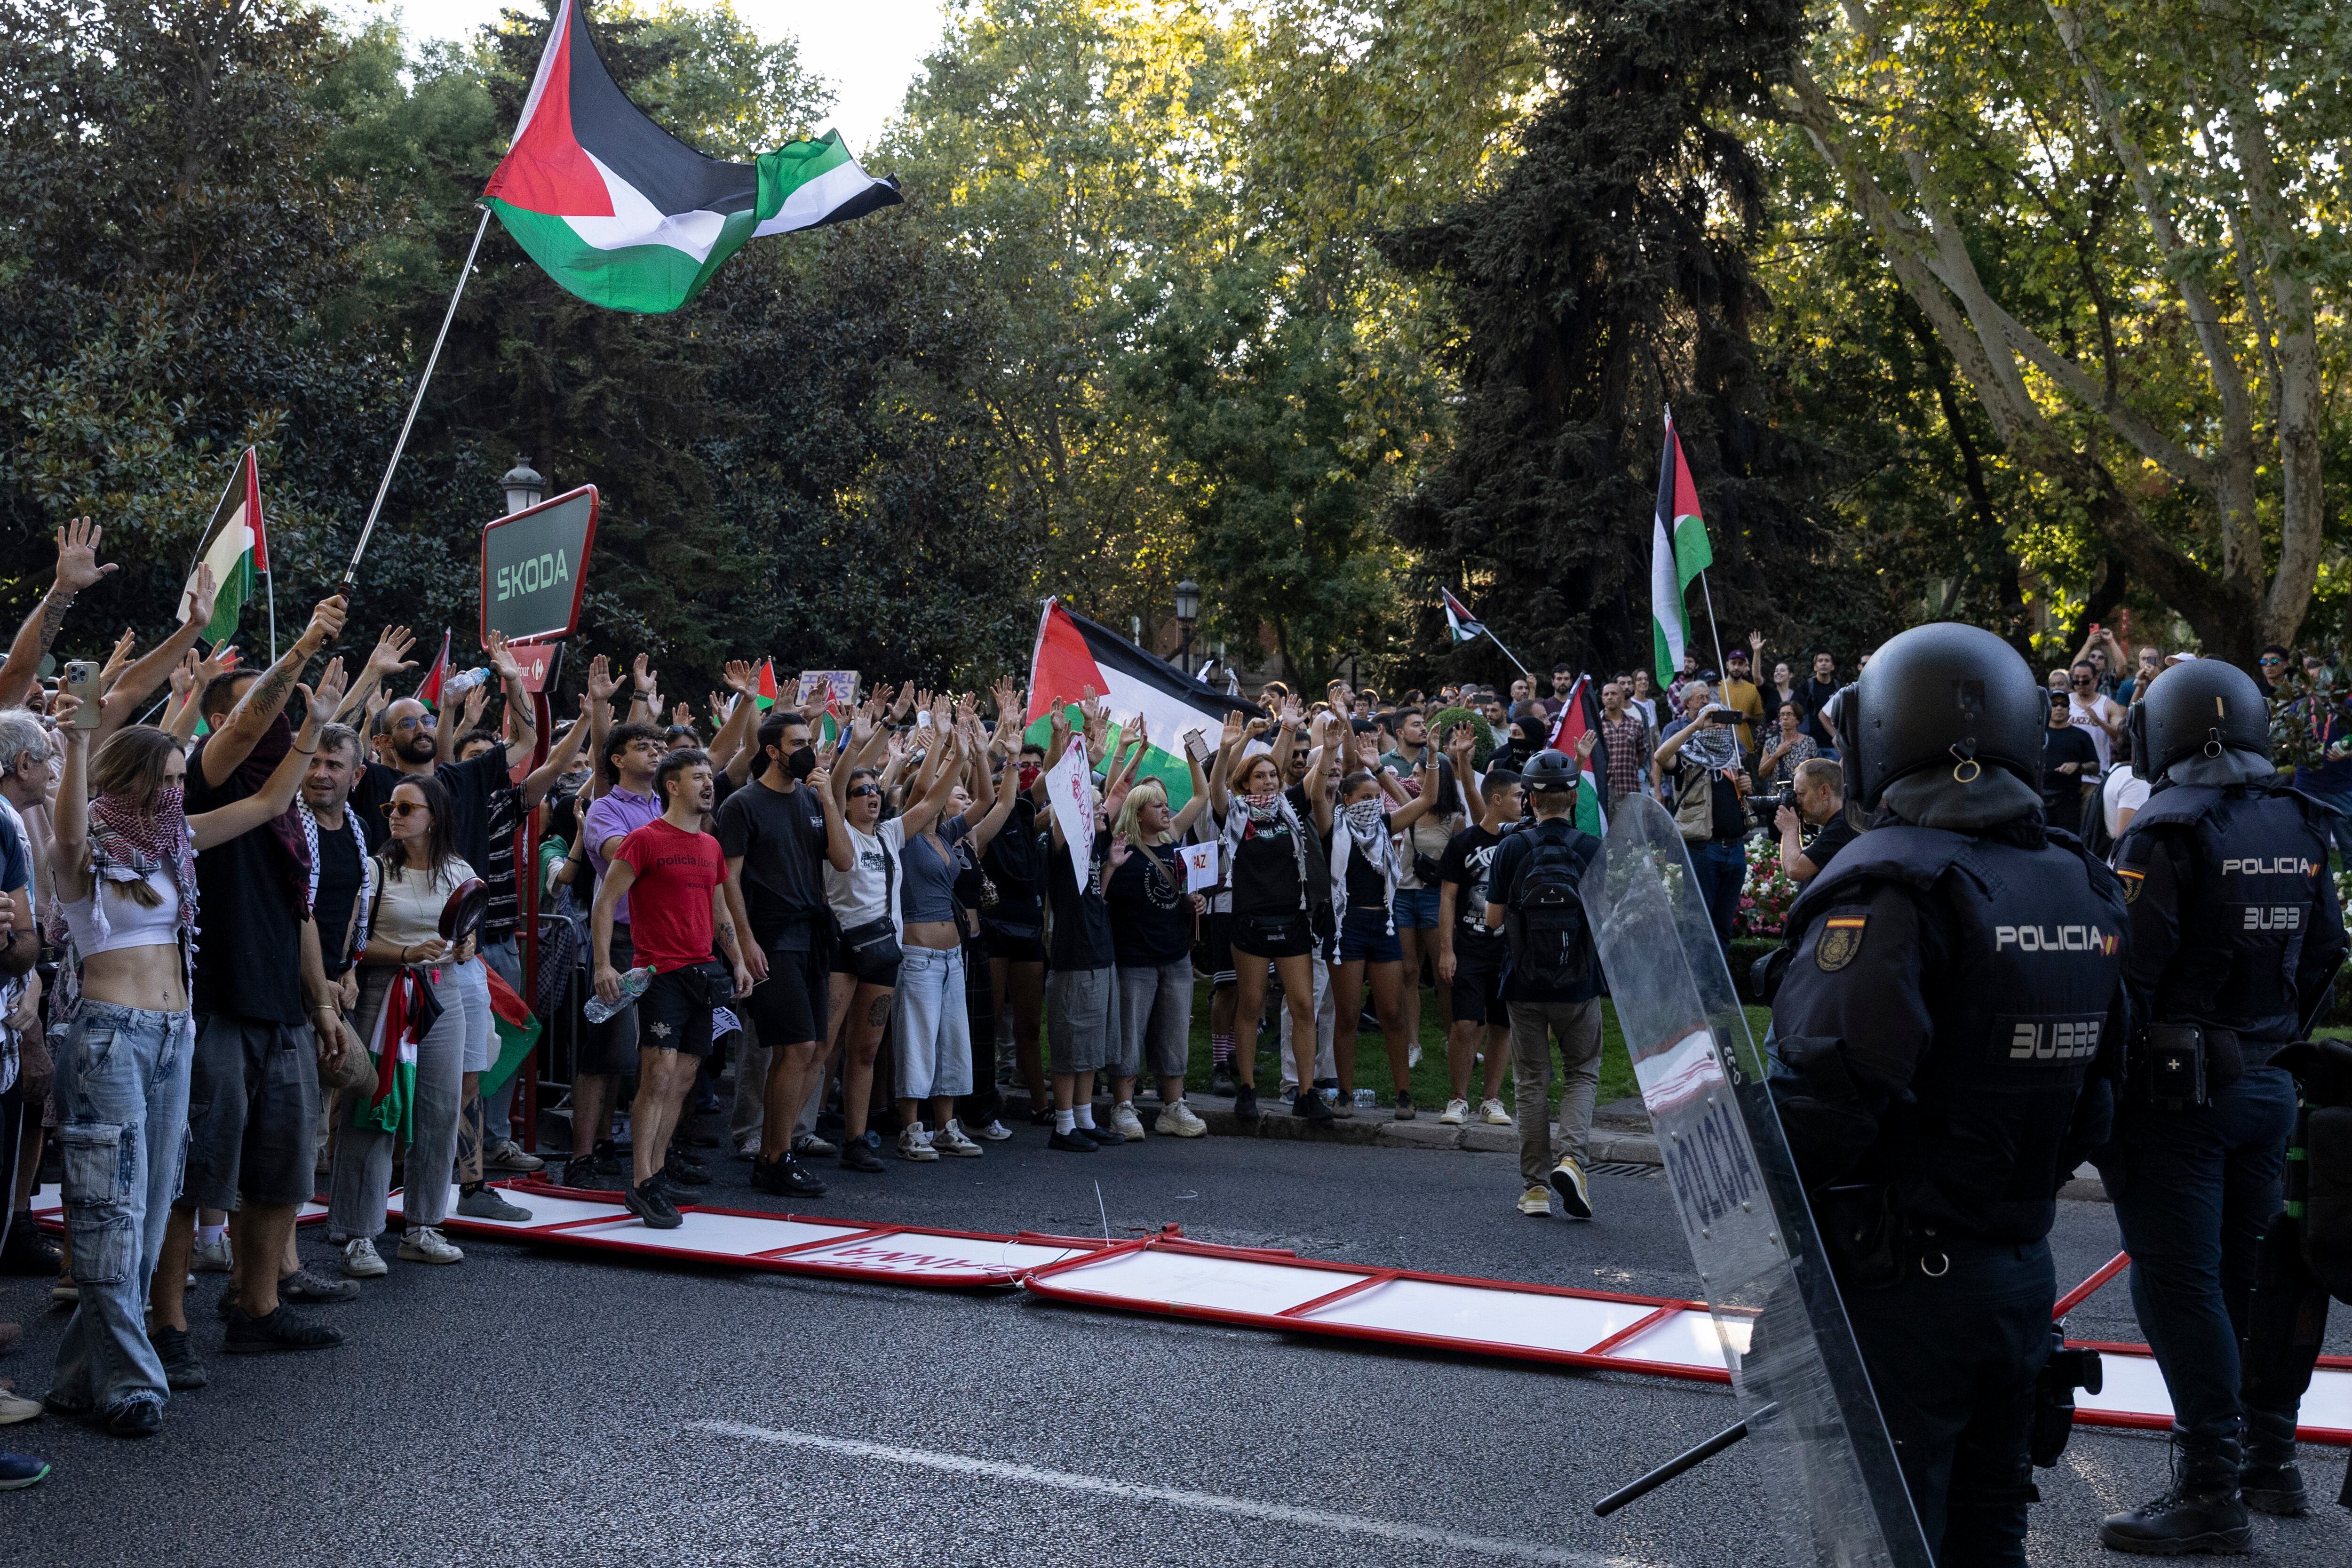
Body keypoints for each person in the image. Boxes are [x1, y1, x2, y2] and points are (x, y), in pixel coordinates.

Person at [1769, 621, 2127, 1565]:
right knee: (1989, 1531)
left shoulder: (1890, 889)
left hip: (1898, 1287)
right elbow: (2098, 1101)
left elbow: (1823, 1102)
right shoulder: (2077, 883)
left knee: (1880, 1540)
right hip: (2015, 1272)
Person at [2093, 659, 2348, 1554]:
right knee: (2238, 1276)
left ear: (2158, 732)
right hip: (2271, 1082)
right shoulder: (2302, 818)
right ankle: (2260, 1462)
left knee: (2176, 1281)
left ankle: (2210, 1484)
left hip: (2179, 1095)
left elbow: (2125, 976)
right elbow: (2327, 952)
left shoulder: (2164, 828)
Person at [41, 671, 336, 1432]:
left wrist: (316, 726)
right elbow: (70, 831)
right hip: (109, 1038)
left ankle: (80, 1376)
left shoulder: (178, 841)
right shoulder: (87, 851)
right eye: (168, 778)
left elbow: (270, 802)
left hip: (177, 1037)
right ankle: (135, 1383)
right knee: (109, 1213)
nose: (180, 791)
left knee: (143, 1216)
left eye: (184, 778)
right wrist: (79, 737)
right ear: (135, 778)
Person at [149, 594, 354, 1361]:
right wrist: (299, 649)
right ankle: (167, 1322)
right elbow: (240, 727)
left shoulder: (286, 814)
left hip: (282, 1011)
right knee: (195, 1169)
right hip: (213, 1005)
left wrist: (323, 1003)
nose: (282, 727)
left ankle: (256, 1307)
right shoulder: (205, 786)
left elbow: (300, 912)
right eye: (270, 714)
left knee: (281, 1167)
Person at [328, 771, 510, 1273]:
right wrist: (407, 951)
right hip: (384, 994)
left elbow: (467, 935)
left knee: (439, 1111)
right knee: (374, 1110)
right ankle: (359, 1233)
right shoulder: (375, 869)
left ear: (435, 817)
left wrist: (466, 946)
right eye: (391, 807)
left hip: (443, 995)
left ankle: (423, 1226)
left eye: (407, 808)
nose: (395, 815)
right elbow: (352, 945)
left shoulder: (459, 870)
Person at [591, 748, 752, 1228]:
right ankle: (642, 1183)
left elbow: (721, 913)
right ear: (672, 786)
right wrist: (603, 964)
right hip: (657, 975)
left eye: (710, 775)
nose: (708, 783)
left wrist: (739, 961)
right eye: (697, 777)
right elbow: (605, 903)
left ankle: (656, 1175)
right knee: (657, 1077)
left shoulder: (710, 846)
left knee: (682, 1081)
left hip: (704, 975)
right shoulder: (643, 840)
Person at [716, 704, 839, 1198]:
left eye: (807, 740)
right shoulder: (742, 805)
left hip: (812, 937)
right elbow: (729, 881)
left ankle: (774, 1155)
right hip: (771, 936)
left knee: (811, 1052)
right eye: (796, 743)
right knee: (796, 1048)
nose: (806, 750)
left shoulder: (811, 801)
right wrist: (744, 943)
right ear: (771, 750)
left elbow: (844, 861)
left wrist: (829, 799)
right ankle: (774, 1156)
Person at [888, 706, 1013, 1159]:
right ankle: (910, 1128)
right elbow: (923, 789)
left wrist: (980, 753)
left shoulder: (948, 835)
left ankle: (946, 1125)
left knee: (951, 1041)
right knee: (918, 1041)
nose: (946, 797)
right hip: (918, 954)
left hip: (952, 956)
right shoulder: (904, 834)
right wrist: (945, 745)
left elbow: (987, 800)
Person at [1484, 746, 1604, 1220]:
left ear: (1529, 799)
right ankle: (1572, 1160)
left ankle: (1534, 1188)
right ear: (1573, 796)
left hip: (1523, 982)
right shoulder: (1591, 848)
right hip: (1578, 982)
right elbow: (1606, 917)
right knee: (1582, 1071)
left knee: (1531, 1080)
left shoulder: (1511, 847)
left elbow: (1494, 918)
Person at [1207, 698, 1328, 1123]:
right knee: (1251, 1003)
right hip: (1250, 921)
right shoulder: (1236, 813)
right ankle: (1247, 1089)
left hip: (1292, 918)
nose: (1269, 781)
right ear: (1246, 783)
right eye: (1259, 776)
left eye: (1273, 775)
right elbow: (1216, 788)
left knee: (1301, 1006)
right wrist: (1228, 749)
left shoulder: (1289, 809)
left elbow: (1301, 773)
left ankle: (1306, 1092)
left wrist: (1293, 731)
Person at [564, 721, 665, 1188]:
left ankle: (638, 1155)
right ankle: (582, 1154)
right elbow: (622, 855)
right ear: (618, 761)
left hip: (664, 942)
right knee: (608, 1048)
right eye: (642, 747)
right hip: (622, 939)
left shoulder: (668, 807)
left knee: (659, 1053)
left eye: (658, 746)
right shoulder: (605, 809)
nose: (655, 753)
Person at [1327, 731, 1439, 1117]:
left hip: (1385, 926)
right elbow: (1314, 797)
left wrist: (1430, 758)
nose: (1372, 804)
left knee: (1392, 1013)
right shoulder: (1334, 828)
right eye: (1364, 798)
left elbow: (1425, 801)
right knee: (1348, 1014)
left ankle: (1403, 1095)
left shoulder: (1385, 825)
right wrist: (1333, 749)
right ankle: (1344, 1092)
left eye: (1376, 798)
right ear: (1346, 800)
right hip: (1348, 928)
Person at [1104, 767, 1212, 1138]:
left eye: (1167, 805)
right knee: (1128, 1034)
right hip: (1133, 957)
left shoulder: (1173, 839)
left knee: (1174, 1033)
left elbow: (1201, 796)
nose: (1167, 811)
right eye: (1158, 805)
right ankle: (1122, 1107)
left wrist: (1191, 902)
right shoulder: (1118, 849)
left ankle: (1173, 1107)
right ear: (1137, 812)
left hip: (1175, 955)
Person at [1434, 767, 1519, 1129]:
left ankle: (1492, 1099)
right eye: (1517, 795)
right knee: (1465, 1023)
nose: (1523, 801)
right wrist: (1446, 949)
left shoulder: (1520, 841)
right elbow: (1448, 897)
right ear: (1497, 799)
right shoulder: (1464, 842)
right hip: (1469, 946)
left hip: (1508, 950)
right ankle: (1458, 1098)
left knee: (1502, 1025)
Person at [1654, 684, 1751, 947]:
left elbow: (1744, 801)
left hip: (1735, 851)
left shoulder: (1735, 757)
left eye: (1720, 719)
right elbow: (1661, 756)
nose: (1717, 725)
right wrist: (1696, 726)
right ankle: (1698, 986)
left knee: (1723, 929)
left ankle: (1719, 988)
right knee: (1698, 927)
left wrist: (1747, 788)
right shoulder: (1689, 755)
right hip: (1703, 850)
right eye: (1712, 719)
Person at [1772, 757, 1855, 884]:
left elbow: (1795, 869)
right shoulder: (1844, 820)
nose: (1797, 802)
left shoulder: (1841, 828)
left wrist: (1789, 829)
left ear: (1824, 792)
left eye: (1801, 794)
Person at [2037, 689, 2100, 836]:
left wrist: (2077, 766)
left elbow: (2095, 767)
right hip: (2041, 799)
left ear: (2069, 708)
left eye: (2063, 704)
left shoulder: (2081, 736)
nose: (2059, 708)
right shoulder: (2038, 735)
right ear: (2048, 707)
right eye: (2055, 704)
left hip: (2069, 800)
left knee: (2069, 842)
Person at [2066, 660, 2126, 773]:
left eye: (2085, 680)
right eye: (2076, 679)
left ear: (2095, 679)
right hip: (2068, 773)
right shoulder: (2064, 703)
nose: (2080, 683)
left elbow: (2120, 735)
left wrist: (2098, 721)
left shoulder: (2108, 705)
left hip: (2096, 775)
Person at [1719, 634, 1768, 758]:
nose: (1736, 667)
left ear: (1745, 666)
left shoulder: (1753, 689)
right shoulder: (1718, 688)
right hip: (1721, 748)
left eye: (1740, 664)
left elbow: (1761, 720)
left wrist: (1747, 716)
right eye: (1733, 663)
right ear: (1727, 665)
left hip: (1747, 750)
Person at [1755, 700, 1817, 789]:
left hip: (1801, 794)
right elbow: (1762, 773)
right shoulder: (1771, 743)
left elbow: (1814, 774)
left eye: (1789, 714)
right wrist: (1776, 755)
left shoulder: (1809, 742)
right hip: (1777, 796)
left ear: (1798, 719)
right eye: (1782, 715)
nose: (1785, 718)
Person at [1798, 652, 1840, 749]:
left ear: (1833, 666)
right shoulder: (1807, 686)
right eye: (1820, 661)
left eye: (1827, 661)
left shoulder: (1838, 687)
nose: (1824, 664)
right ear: (1815, 667)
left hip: (1832, 743)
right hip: (1811, 742)